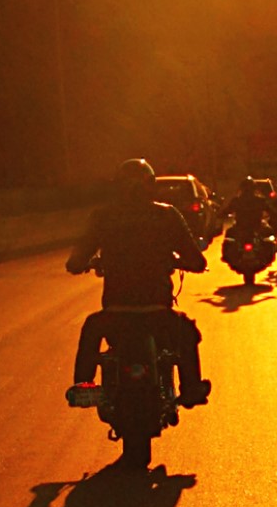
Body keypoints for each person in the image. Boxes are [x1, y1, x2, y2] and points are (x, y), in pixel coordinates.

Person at [65, 159, 211, 407]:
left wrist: (85, 264)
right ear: (151, 186)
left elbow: (75, 261)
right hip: (157, 311)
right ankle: (191, 389)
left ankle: (84, 388)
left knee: (91, 329)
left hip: (116, 311)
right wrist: (179, 262)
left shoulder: (103, 216)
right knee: (187, 333)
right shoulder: (166, 215)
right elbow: (197, 261)